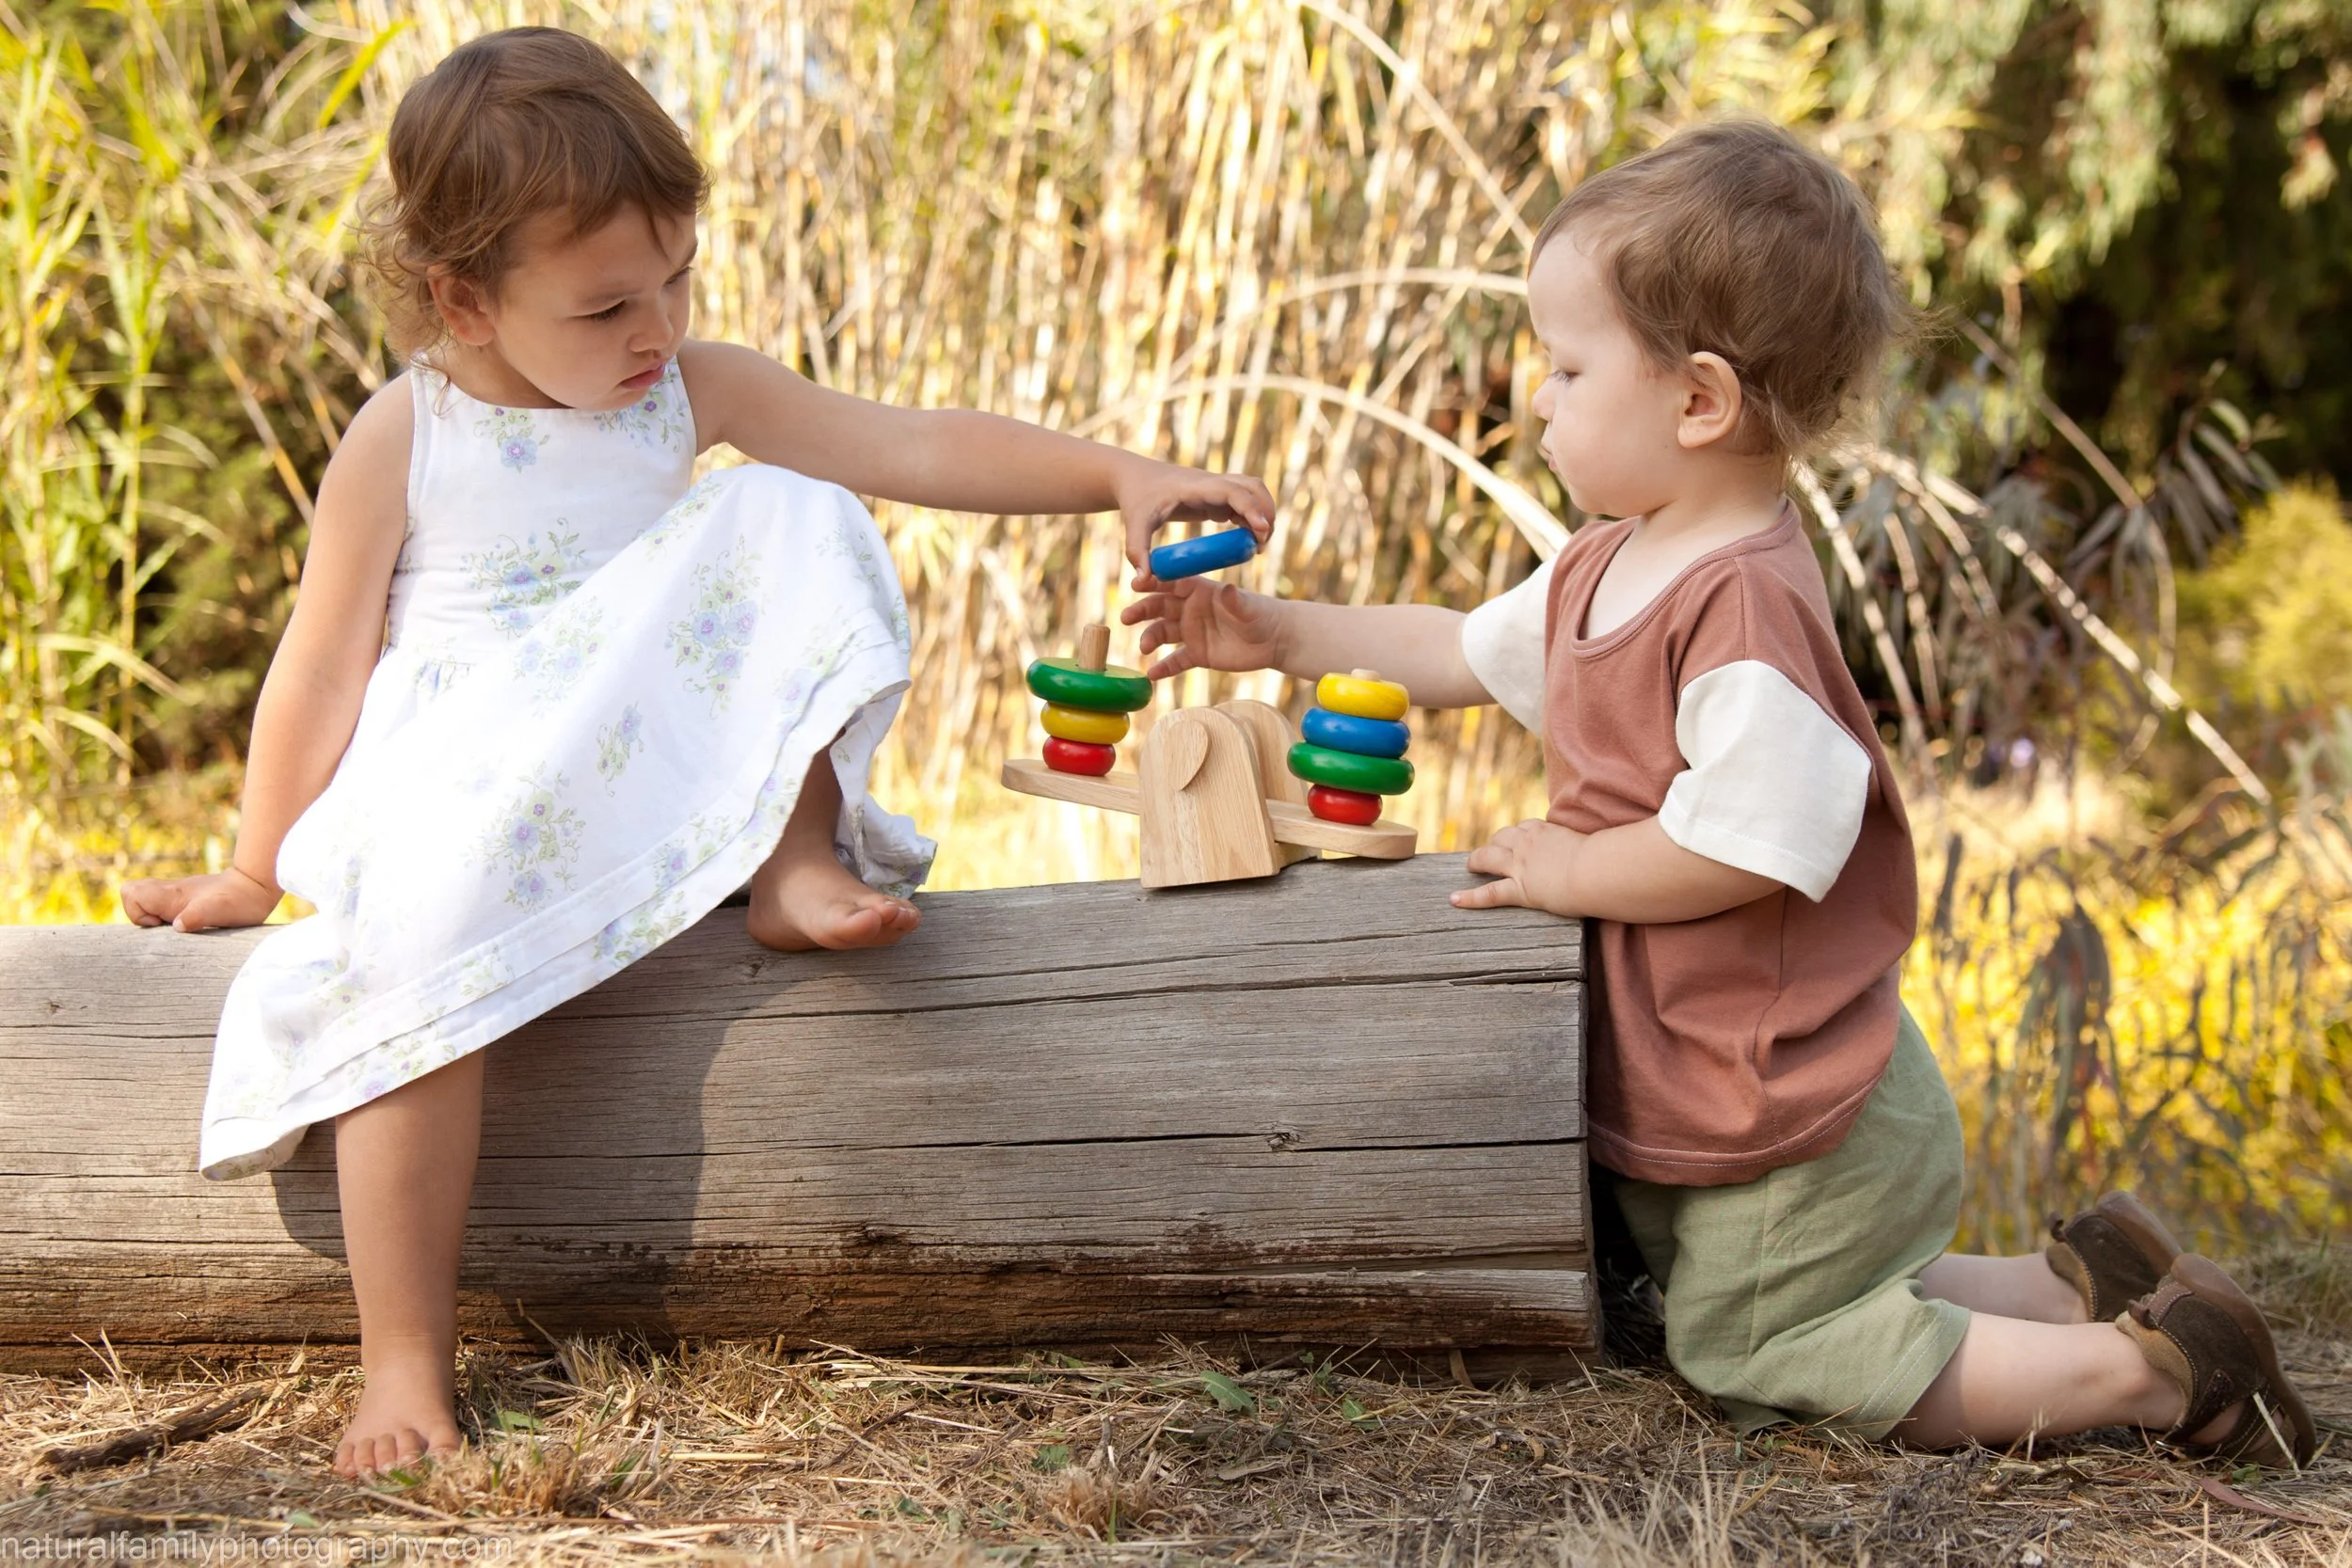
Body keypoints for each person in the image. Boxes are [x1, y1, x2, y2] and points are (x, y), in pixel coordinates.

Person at [119, 26, 1271, 1481]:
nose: (655, 327)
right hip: (471, 786)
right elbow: (322, 656)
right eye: (606, 304)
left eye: (677, 277)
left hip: (631, 763)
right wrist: (252, 860)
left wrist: (1117, 471)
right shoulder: (405, 434)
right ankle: (403, 1359)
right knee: (406, 973)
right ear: (460, 300)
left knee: (787, 505)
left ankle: (786, 860)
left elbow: (908, 444)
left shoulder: (690, 393)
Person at [1123, 120, 2315, 1467]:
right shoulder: (1610, 562)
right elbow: (1459, 648)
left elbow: (1749, 843)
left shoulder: (1740, 606)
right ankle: (2075, 1284)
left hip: (1794, 1088)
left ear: (1698, 401)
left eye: (1570, 368)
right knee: (1778, 1299)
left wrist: (1574, 870)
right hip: (1741, 1069)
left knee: (1760, 1351)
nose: (1540, 398)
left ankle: (2157, 1377)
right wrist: (1273, 633)